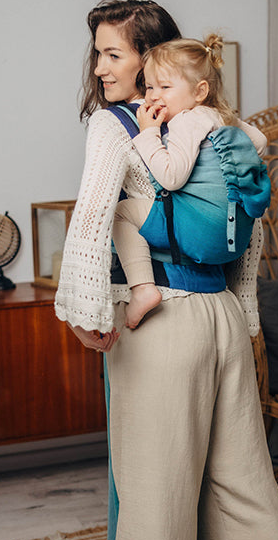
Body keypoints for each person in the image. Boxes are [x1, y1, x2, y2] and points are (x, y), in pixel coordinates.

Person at [55, 0, 278, 540]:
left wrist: (81, 306)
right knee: (242, 480)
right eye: (97, 53)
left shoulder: (118, 126)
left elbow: (95, 213)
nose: (99, 68)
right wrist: (244, 316)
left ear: (149, 58)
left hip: (161, 321)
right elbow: (246, 231)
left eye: (113, 54)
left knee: (155, 493)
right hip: (220, 315)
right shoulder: (225, 126)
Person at [112, 33, 269, 329]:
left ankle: (143, 289)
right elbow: (260, 141)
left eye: (165, 87)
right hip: (231, 239)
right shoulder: (219, 116)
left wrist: (149, 133)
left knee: (121, 214)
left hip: (199, 234)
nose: (153, 96)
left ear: (200, 92)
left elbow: (171, 178)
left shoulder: (186, 120)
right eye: (149, 86)